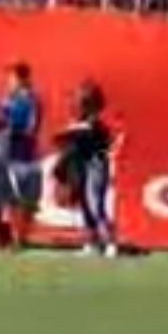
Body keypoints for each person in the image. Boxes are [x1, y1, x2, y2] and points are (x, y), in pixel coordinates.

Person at [56, 80, 117, 257]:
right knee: (85, 205)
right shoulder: (81, 122)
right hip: (84, 166)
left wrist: (71, 133)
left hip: (96, 166)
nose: (77, 104)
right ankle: (92, 243)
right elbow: (65, 138)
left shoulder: (96, 124)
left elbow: (90, 137)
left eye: (82, 100)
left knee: (95, 204)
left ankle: (110, 243)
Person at [0, 63, 42, 250]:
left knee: (24, 201)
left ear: (22, 79)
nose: (10, 82)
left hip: (24, 156)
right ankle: (13, 237)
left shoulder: (31, 101)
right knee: (9, 200)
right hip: (7, 156)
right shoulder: (7, 100)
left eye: (13, 78)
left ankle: (21, 236)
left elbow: (31, 128)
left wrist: (10, 127)